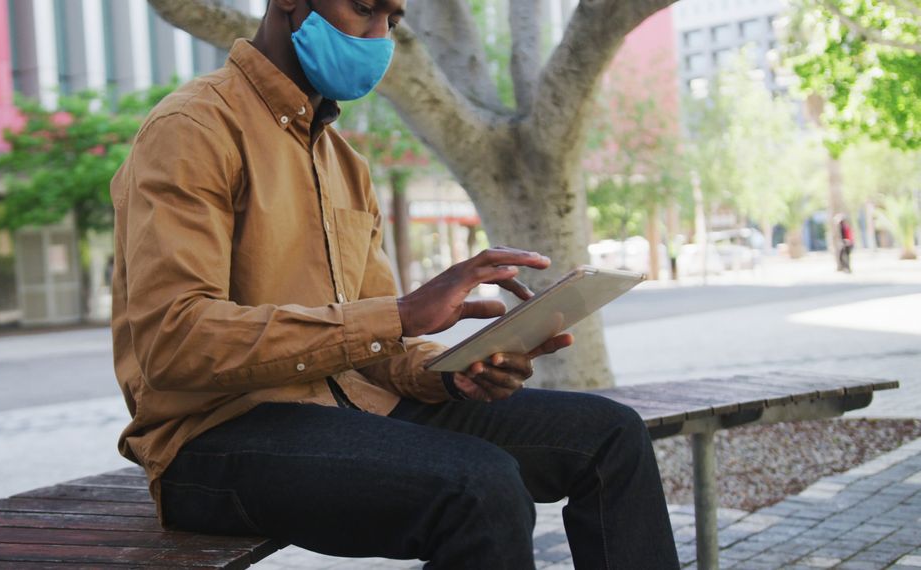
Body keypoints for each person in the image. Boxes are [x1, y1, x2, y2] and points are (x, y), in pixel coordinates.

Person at [108, 0, 680, 567]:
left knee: (611, 435)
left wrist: (459, 375)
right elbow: (175, 343)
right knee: (480, 488)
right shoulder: (192, 128)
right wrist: (400, 315)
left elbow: (373, 351)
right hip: (214, 436)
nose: (379, 37)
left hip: (350, 406)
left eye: (393, 20)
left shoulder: (345, 165)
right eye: (363, 9)